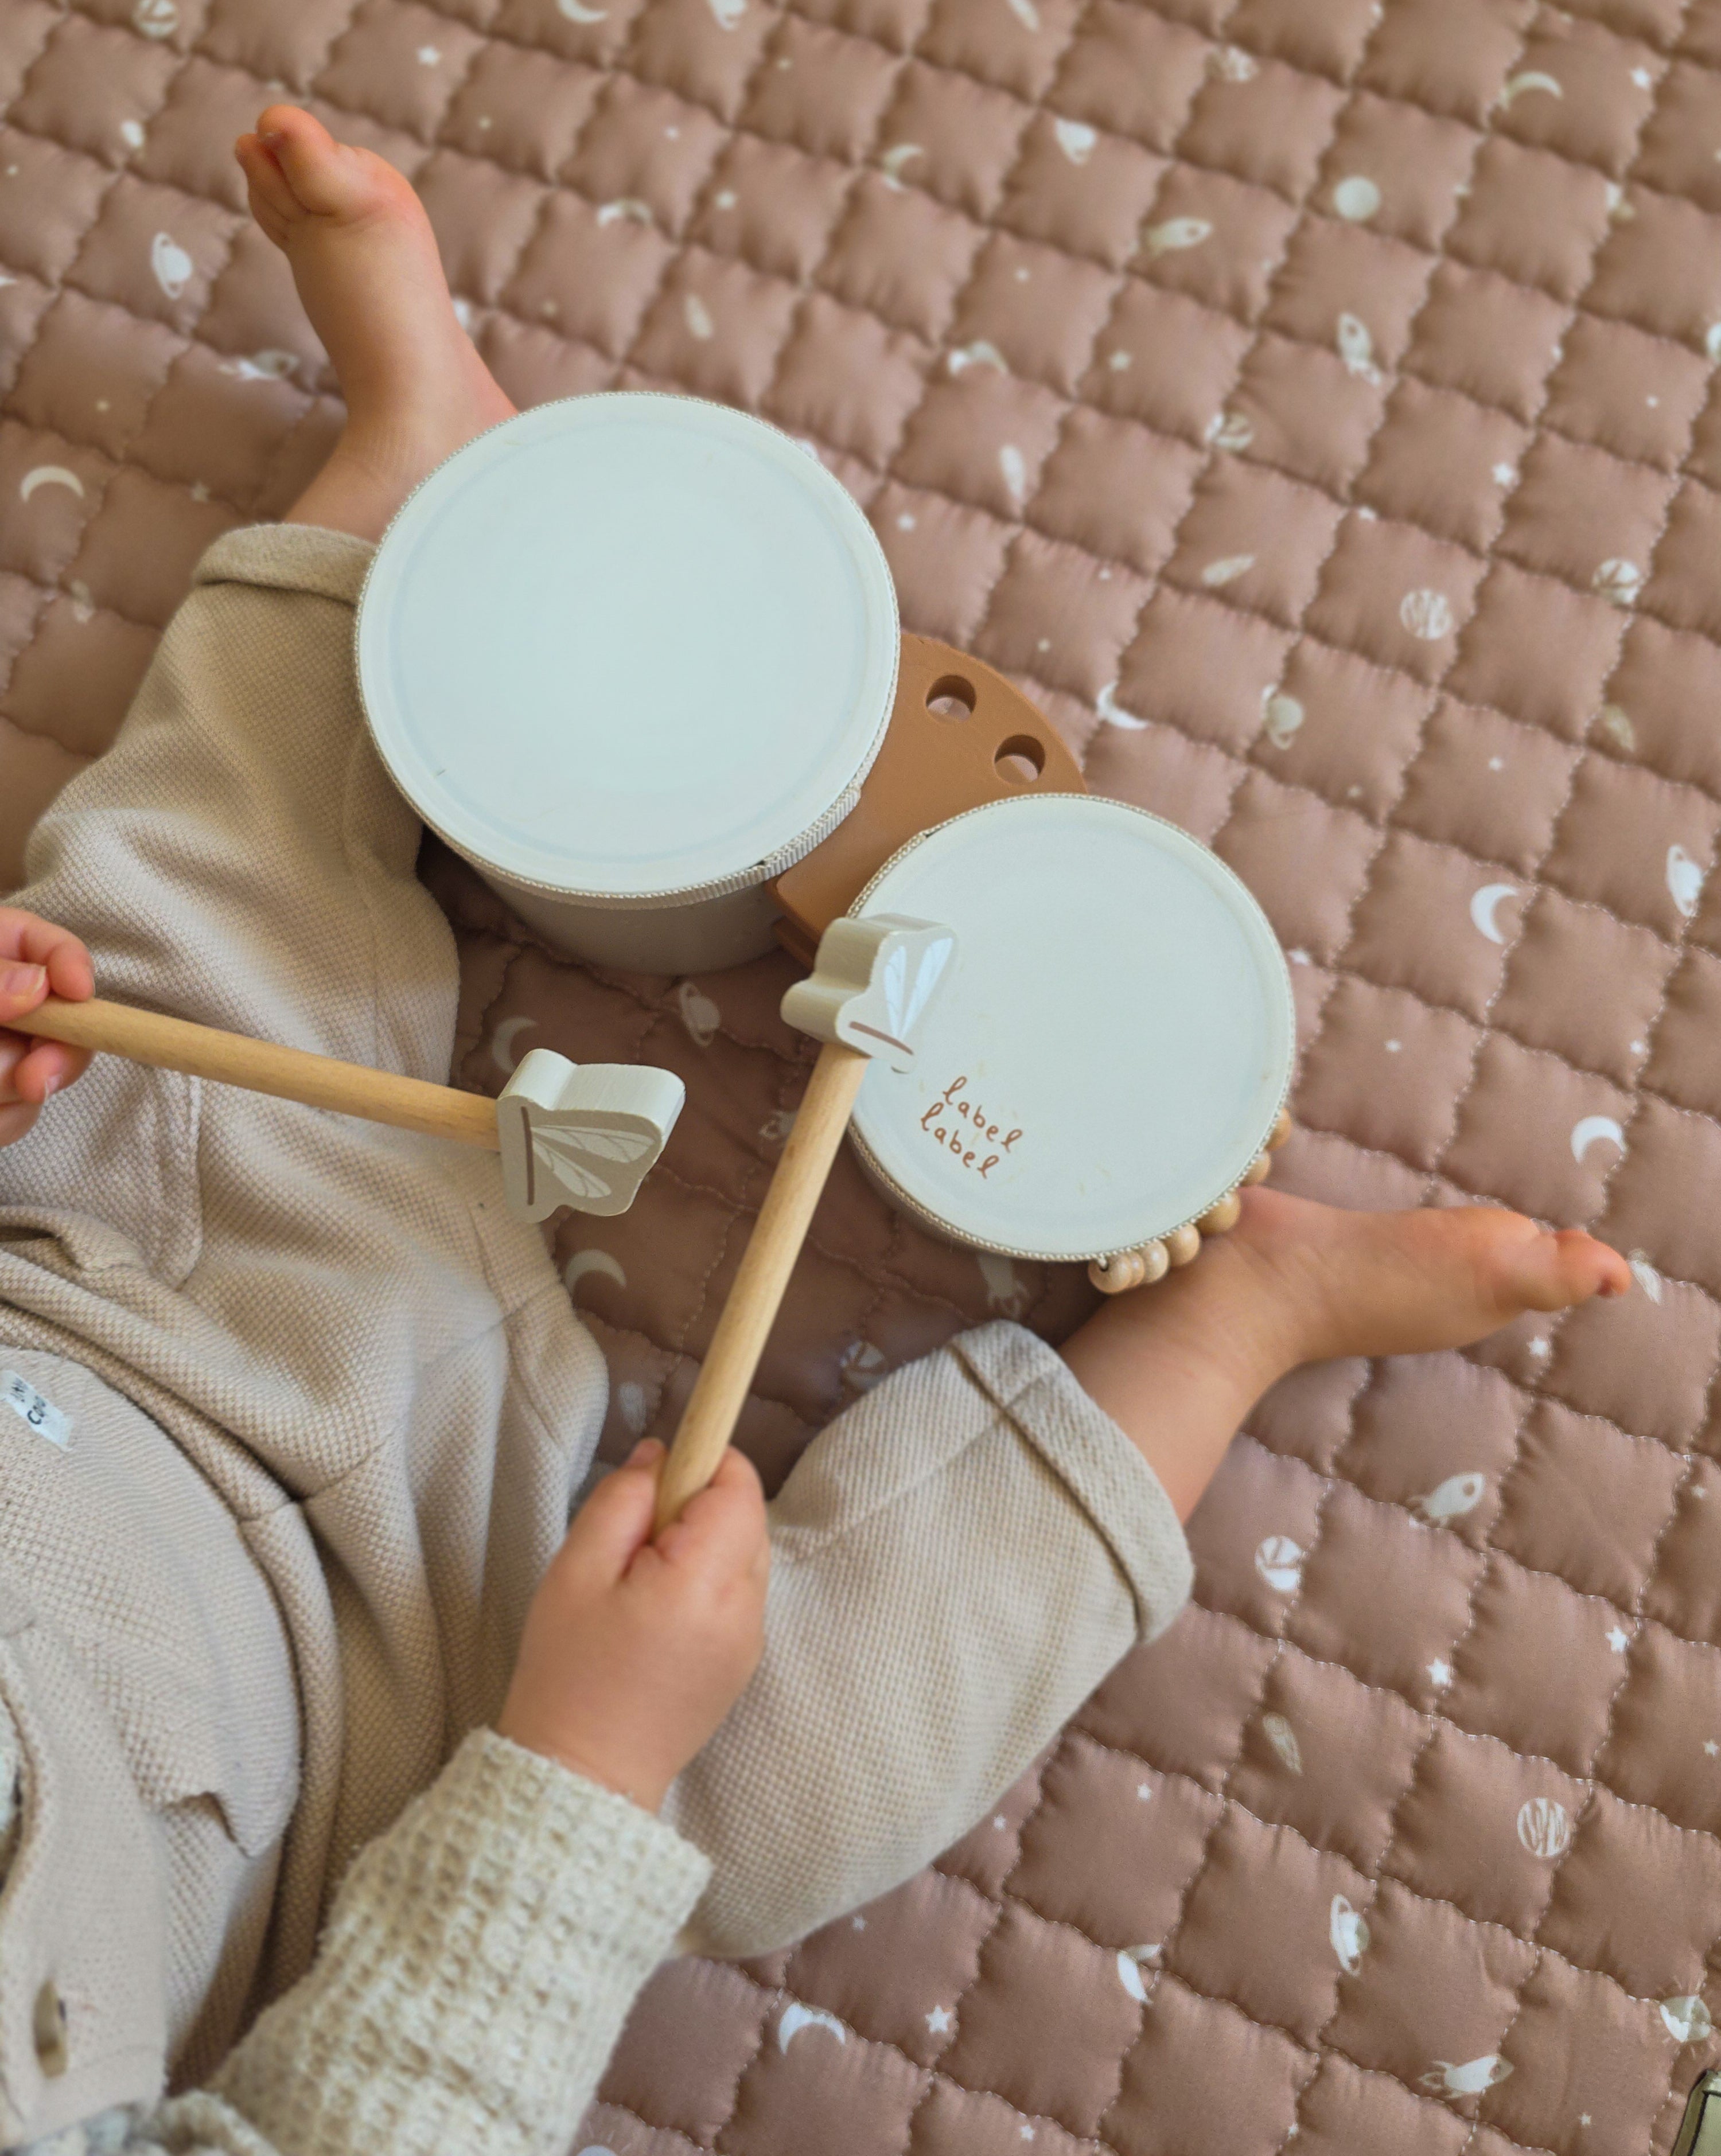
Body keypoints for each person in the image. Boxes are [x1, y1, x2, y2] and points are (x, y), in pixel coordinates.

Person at [0, 108, 1631, 2156]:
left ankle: (410, 467)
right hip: (398, 1730)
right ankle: (1230, 1328)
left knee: (180, 911)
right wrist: (581, 1774)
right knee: (774, 1795)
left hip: (105, 1290)